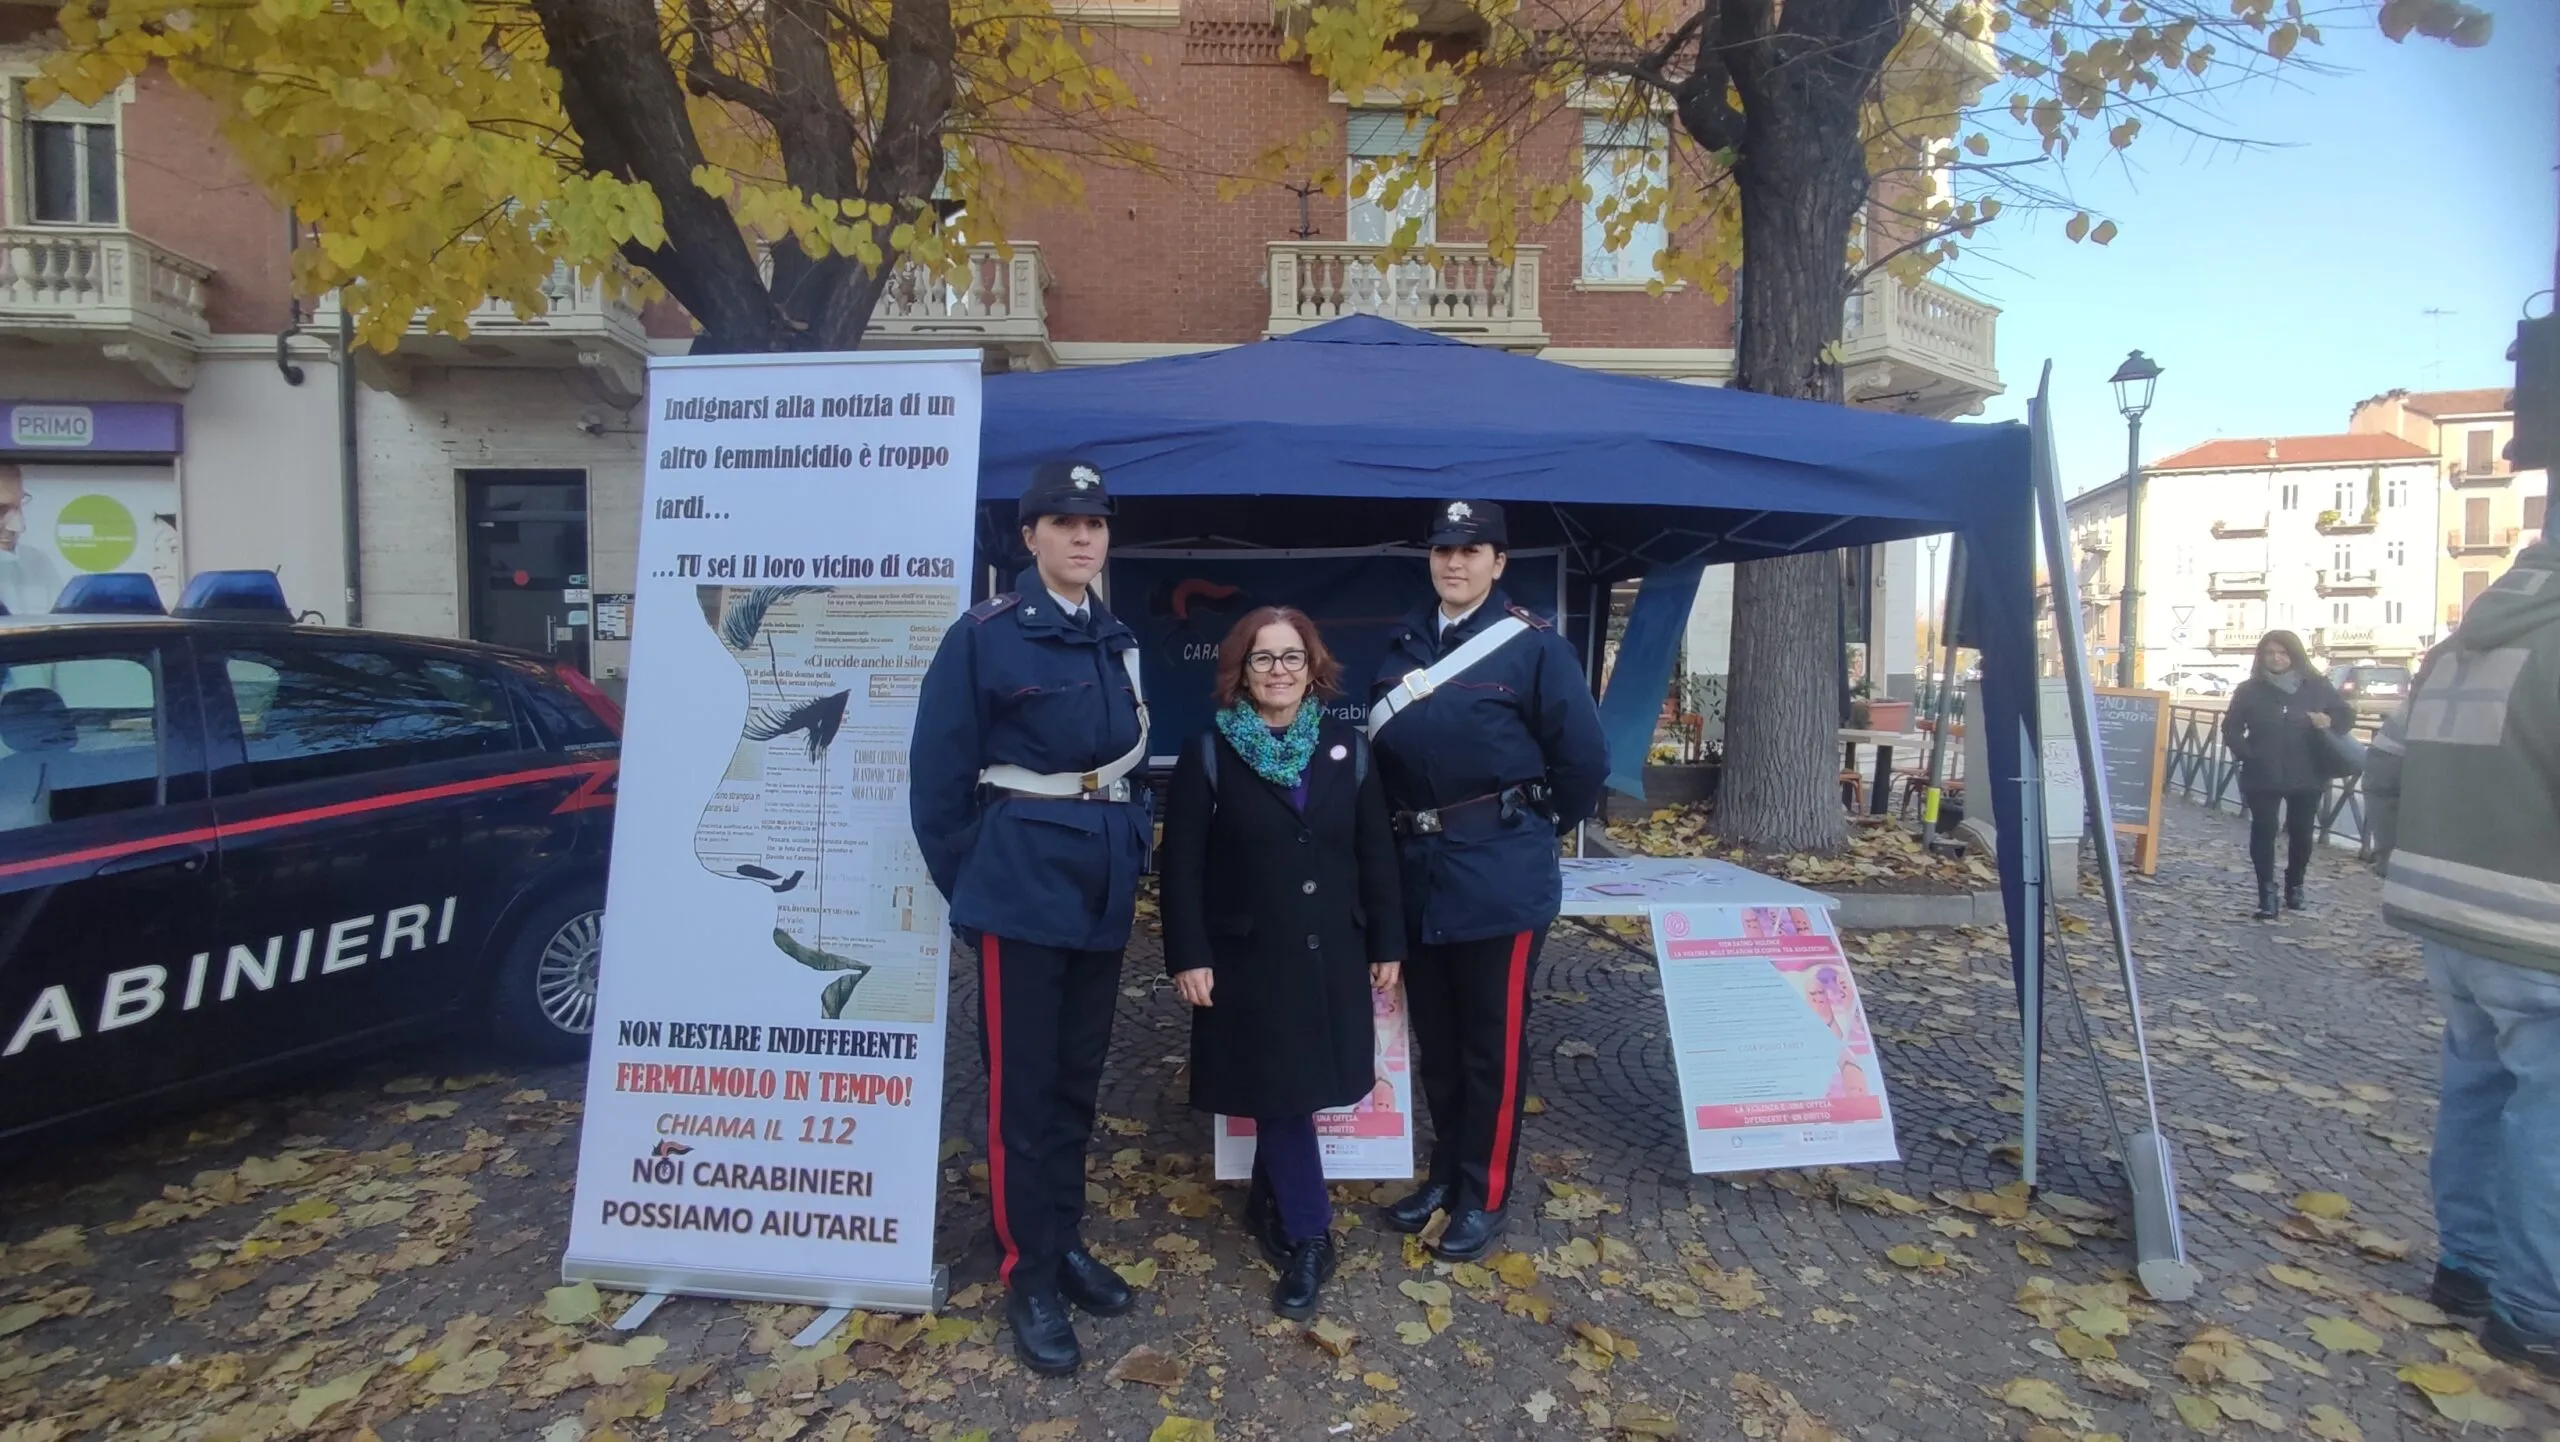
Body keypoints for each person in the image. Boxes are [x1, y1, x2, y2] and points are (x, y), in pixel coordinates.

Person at [910, 459, 1149, 1378]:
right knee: (1022, 1094)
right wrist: (974, 886)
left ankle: (1065, 1237)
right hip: (1019, 887)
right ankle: (1028, 1273)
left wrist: (1132, 845)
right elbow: (938, 782)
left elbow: (1121, 765)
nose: (1083, 538)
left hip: (1099, 885)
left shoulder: (1115, 635)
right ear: (1030, 538)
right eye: (1064, 524)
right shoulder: (986, 636)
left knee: (1078, 1084)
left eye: (1095, 526)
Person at [1368, 500, 1608, 1261]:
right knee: (1437, 1043)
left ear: (1499, 563)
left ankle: (1486, 1190)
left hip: (1500, 875)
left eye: (1472, 551)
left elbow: (1583, 764)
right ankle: (1444, 1173)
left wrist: (1524, 828)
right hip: (1421, 873)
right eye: (1442, 549)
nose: (1454, 562)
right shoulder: (1404, 644)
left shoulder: (1534, 648)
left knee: (1491, 1046)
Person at [1159, 606, 1404, 1319]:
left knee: (1289, 1088)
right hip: (1246, 959)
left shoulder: (1345, 746)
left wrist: (1388, 939)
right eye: (1263, 658)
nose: (1278, 671)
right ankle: (1308, 1234)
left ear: (1313, 667)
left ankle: (1267, 1204)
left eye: (1291, 657)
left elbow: (1374, 852)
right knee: (1285, 1092)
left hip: (1332, 949)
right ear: (1240, 670)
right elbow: (1181, 868)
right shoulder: (1207, 749)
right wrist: (1189, 954)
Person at [2364, 517, 2560, 1379]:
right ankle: (2537, 1311)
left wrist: (2398, 856)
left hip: (2447, 914)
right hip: (2540, 924)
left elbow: (2385, 760)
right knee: (2544, 1114)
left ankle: (2468, 1267)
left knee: (2477, 1086)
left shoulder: (2456, 647)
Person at [2221, 629, 2354, 920]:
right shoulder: (2249, 689)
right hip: (2263, 771)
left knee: (2301, 832)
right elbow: (2230, 728)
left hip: (2307, 770)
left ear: (2293, 655)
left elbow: (2346, 716)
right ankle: (2266, 894)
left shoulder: (2316, 686)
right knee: (2263, 830)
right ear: (2261, 657)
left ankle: (2295, 885)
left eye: (2282, 652)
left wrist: (2328, 719)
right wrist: (2248, 753)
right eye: (2270, 653)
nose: (2276, 658)